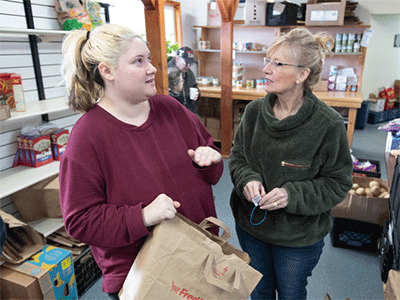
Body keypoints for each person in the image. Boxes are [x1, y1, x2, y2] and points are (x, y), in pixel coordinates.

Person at [59, 24, 223, 299]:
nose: (152, 68)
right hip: (145, 277)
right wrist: (143, 216)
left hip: (200, 258)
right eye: (138, 61)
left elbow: (213, 172)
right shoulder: (87, 137)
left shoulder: (172, 109)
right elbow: (80, 221)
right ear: (107, 71)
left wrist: (210, 160)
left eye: (148, 58)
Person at [228, 27, 353, 300]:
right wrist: (247, 179)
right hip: (251, 228)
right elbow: (237, 157)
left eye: (277, 63)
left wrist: (290, 195)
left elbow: (338, 183)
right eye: (267, 60)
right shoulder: (253, 113)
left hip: (297, 239)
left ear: (302, 74)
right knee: (259, 291)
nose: (266, 69)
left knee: (290, 294)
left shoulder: (327, 125)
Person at [167, 46, 200, 115]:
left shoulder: (189, 72)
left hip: (190, 111)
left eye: (190, 64)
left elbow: (195, 87)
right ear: (177, 59)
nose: (188, 66)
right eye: (186, 63)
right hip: (175, 113)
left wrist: (197, 94)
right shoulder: (168, 73)